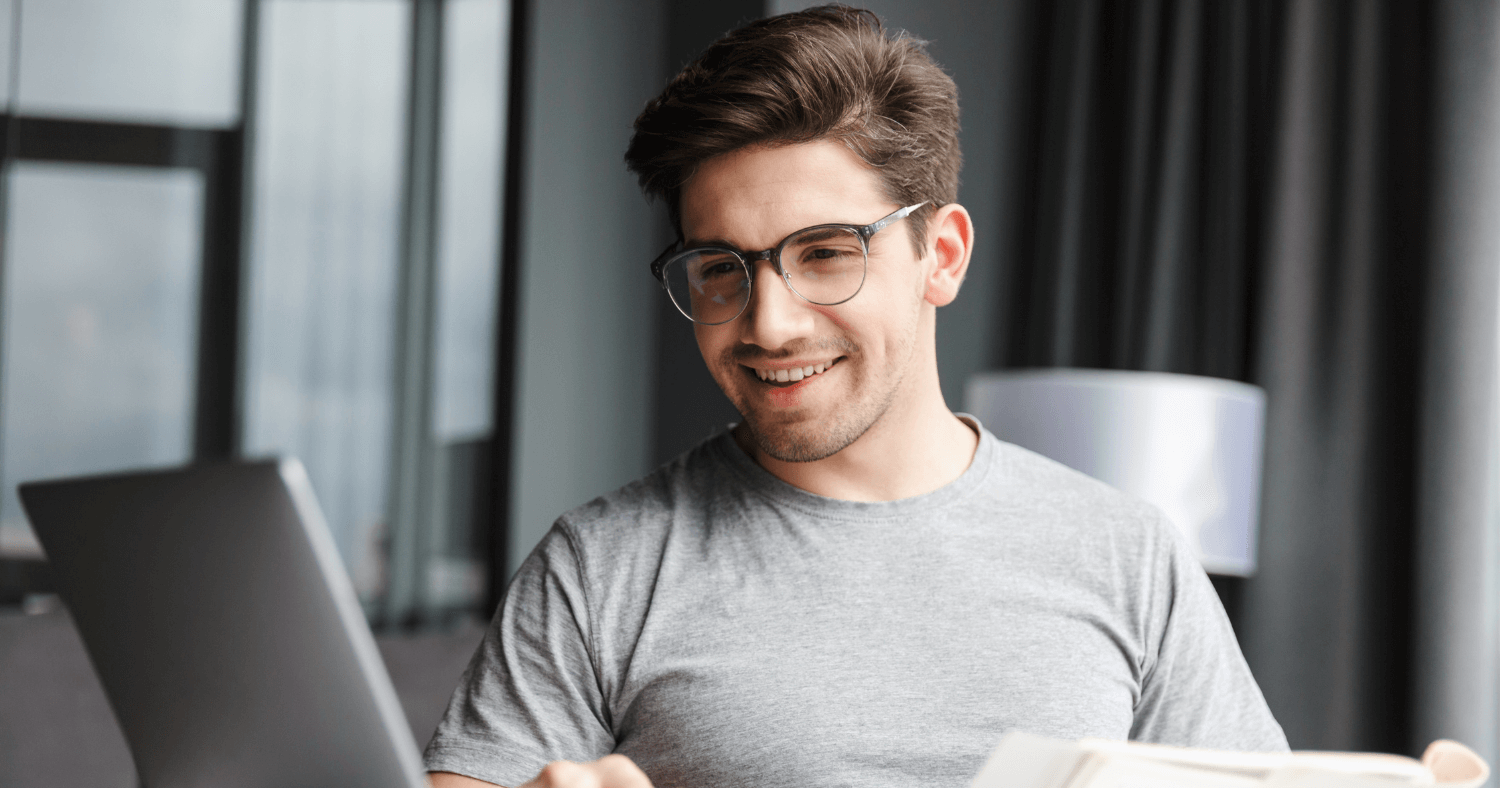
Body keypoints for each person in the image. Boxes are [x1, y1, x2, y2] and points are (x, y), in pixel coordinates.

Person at [425, 6, 1286, 788]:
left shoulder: (1128, 557)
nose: (769, 323)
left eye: (827, 254)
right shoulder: (602, 567)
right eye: (722, 269)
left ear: (941, 255)